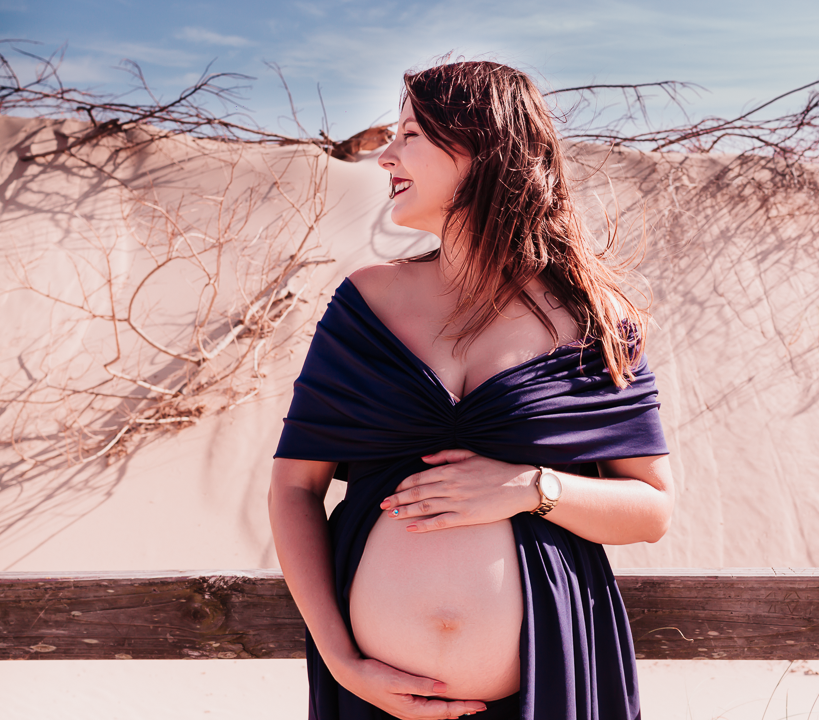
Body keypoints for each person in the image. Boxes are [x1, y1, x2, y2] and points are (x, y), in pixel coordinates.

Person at [269, 60, 674, 720]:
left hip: (552, 685)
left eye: (410, 135)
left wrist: (535, 488)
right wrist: (341, 661)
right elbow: (294, 488)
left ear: (484, 148)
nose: (385, 157)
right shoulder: (364, 305)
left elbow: (652, 509)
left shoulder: (596, 322)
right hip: (373, 697)